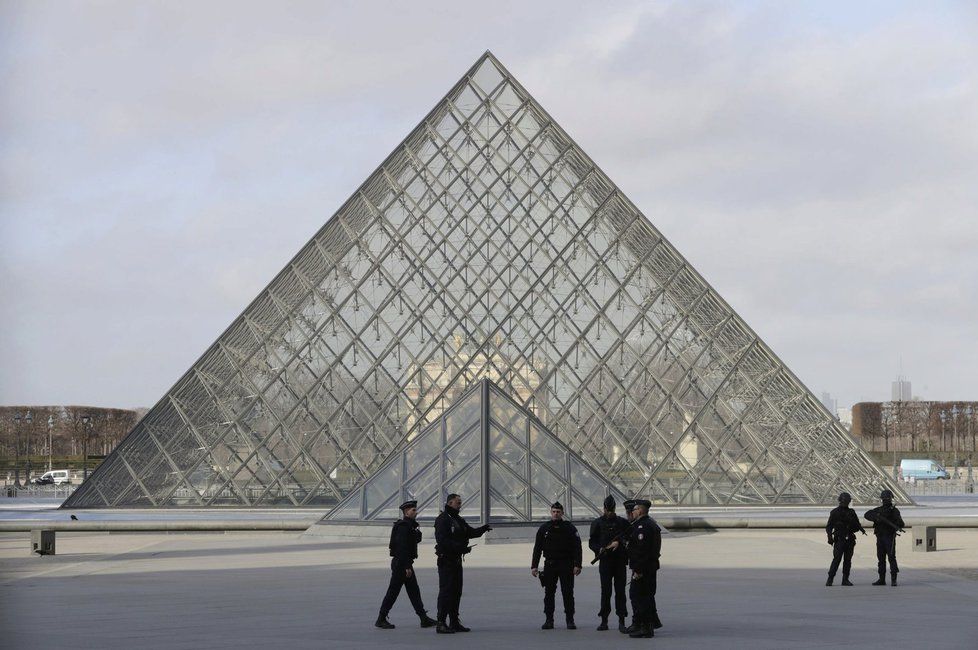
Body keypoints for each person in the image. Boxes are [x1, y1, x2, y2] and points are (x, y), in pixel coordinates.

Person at [433, 493, 491, 633]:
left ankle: (454, 621)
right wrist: (460, 548)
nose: (460, 505)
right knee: (446, 591)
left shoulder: (457, 519)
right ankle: (441, 622)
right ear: (450, 503)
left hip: (456, 561)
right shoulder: (443, 519)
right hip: (446, 560)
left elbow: (469, 532)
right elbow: (442, 541)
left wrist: (483, 529)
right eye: (458, 502)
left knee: (456, 591)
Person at [376, 500, 438, 629]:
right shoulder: (404, 526)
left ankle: (423, 618)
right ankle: (381, 618)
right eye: (413, 510)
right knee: (393, 592)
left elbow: (413, 541)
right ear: (406, 512)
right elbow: (402, 548)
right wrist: (407, 566)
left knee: (414, 591)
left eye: (415, 509)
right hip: (402, 564)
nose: (416, 512)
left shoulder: (409, 526)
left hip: (403, 563)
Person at [531, 501, 583, 630]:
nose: (556, 514)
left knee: (567, 593)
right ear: (550, 512)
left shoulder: (570, 528)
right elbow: (537, 548)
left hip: (566, 564)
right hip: (550, 564)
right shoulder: (544, 528)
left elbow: (577, 547)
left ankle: (570, 620)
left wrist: (578, 564)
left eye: (558, 512)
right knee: (549, 593)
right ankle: (549, 620)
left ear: (562, 513)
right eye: (554, 512)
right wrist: (534, 566)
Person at [589, 495, 630, 631]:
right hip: (605, 561)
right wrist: (599, 549)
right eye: (608, 510)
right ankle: (604, 620)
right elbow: (592, 542)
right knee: (605, 592)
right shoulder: (597, 523)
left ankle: (621, 620)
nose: (609, 513)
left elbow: (629, 537)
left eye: (611, 510)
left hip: (619, 561)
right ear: (604, 509)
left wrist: (619, 542)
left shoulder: (622, 523)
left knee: (620, 592)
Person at [625, 499, 662, 638]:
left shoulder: (643, 527)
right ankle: (645, 624)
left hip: (643, 569)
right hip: (649, 567)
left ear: (640, 510)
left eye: (634, 510)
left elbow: (642, 551)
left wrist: (638, 570)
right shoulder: (649, 524)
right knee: (644, 596)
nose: (632, 513)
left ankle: (646, 627)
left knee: (640, 596)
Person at [864, 489, 906, 586]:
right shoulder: (878, 510)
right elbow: (867, 514)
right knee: (882, 559)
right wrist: (877, 518)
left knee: (890, 558)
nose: (886, 500)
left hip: (889, 537)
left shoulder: (894, 511)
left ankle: (892, 579)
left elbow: (901, 524)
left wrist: (894, 524)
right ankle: (882, 579)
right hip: (881, 537)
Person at [824, 492, 866, 586]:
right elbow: (829, 526)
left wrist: (853, 527)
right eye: (844, 501)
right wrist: (829, 537)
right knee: (837, 559)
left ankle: (845, 579)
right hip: (840, 539)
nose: (845, 503)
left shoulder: (851, 512)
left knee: (847, 560)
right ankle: (830, 578)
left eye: (846, 501)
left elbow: (857, 526)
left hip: (849, 539)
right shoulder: (835, 512)